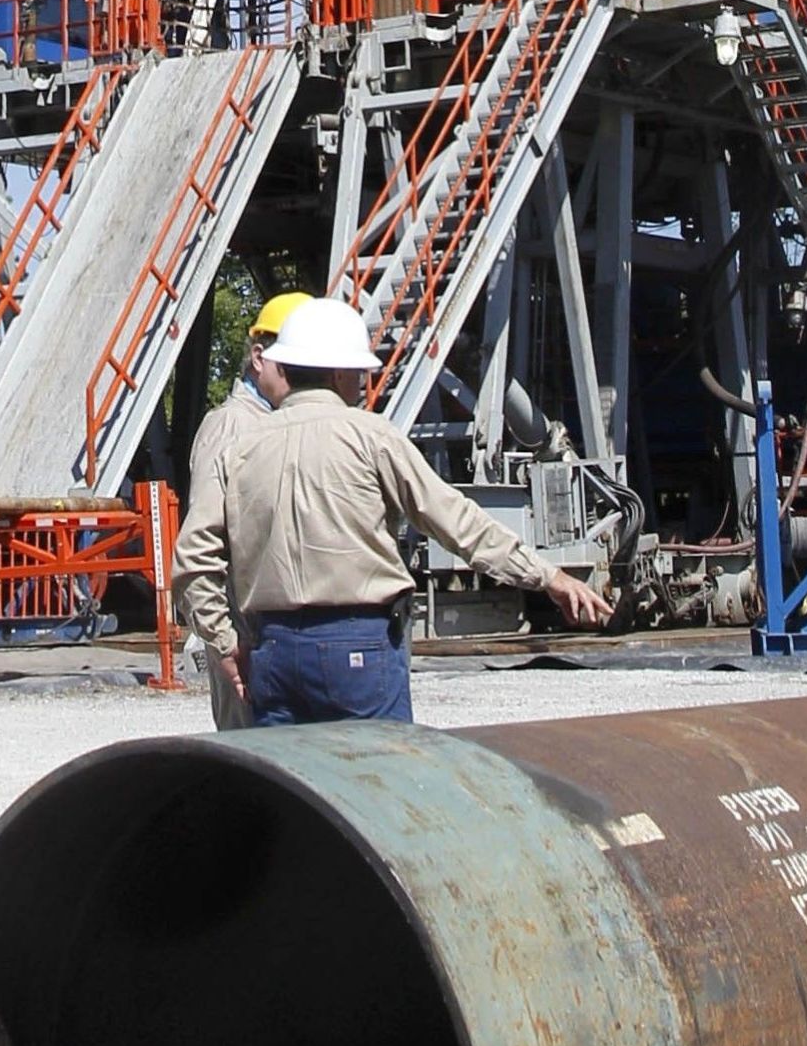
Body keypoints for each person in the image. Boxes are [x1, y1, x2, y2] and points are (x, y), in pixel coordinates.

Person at [173, 297, 613, 724]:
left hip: (273, 649)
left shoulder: (240, 449)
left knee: (287, 791)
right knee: (373, 779)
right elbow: (456, 522)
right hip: (358, 644)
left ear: (284, 367)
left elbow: (193, 558)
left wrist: (225, 642)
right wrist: (547, 576)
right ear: (341, 374)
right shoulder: (371, 437)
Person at [175, 288, 310, 728]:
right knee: (254, 758)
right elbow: (202, 547)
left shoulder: (284, 422)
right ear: (259, 357)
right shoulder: (232, 426)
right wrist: (224, 639)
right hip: (247, 632)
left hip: (284, 630)